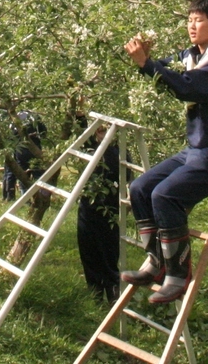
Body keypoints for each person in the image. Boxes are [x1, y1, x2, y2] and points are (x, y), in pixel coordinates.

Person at [121, 0, 208, 304]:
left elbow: (187, 87)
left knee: (165, 195)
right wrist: (145, 59)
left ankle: (178, 274)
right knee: (140, 188)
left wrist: (149, 65)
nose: (192, 26)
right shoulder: (192, 54)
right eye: (189, 20)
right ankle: (155, 261)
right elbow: (163, 72)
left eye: (199, 21)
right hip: (195, 149)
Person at [77, 123, 122, 304]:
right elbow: (82, 133)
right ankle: (94, 293)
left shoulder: (118, 151)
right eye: (100, 130)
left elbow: (127, 177)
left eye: (105, 130)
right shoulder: (91, 149)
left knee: (108, 252)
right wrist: (80, 114)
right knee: (88, 249)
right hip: (88, 209)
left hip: (110, 211)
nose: (102, 133)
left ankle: (112, 292)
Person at [2, 110, 46, 201]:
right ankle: (41, 197)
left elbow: (10, 135)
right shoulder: (34, 116)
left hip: (20, 150)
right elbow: (44, 132)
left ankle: (24, 198)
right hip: (35, 148)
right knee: (38, 174)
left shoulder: (14, 118)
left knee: (22, 174)